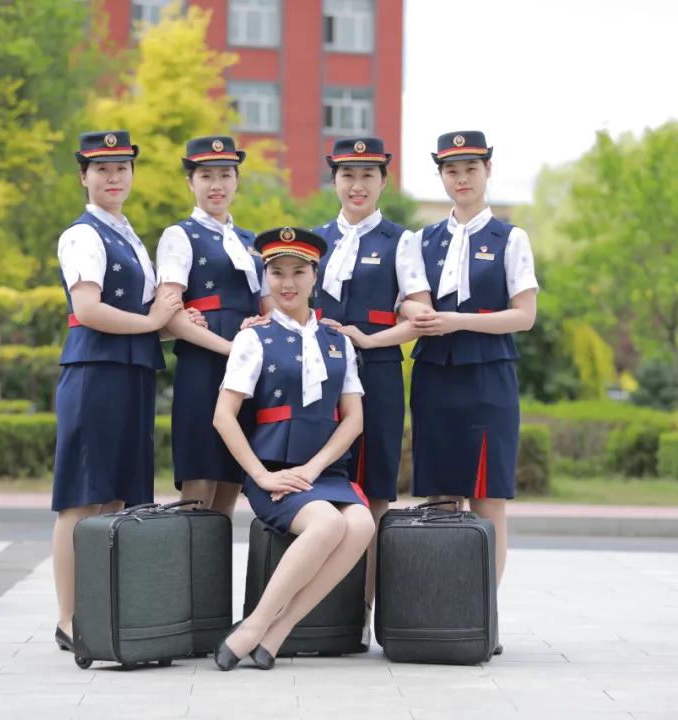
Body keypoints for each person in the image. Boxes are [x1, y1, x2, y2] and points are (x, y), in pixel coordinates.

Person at [50, 130, 194, 653]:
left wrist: (170, 324)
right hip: (95, 373)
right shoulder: (82, 234)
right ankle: (69, 620)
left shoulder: (128, 235)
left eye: (122, 168)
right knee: (81, 500)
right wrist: (154, 320)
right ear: (83, 176)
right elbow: (88, 310)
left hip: (132, 371)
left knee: (115, 498)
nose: (113, 177)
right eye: (102, 168)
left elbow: (141, 316)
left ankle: (103, 614)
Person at [211, 227, 376, 670]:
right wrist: (261, 476)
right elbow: (223, 416)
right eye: (277, 273)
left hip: (323, 473)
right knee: (327, 523)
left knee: (362, 524)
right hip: (273, 472)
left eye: (298, 272)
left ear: (314, 276)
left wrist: (316, 467)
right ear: (265, 277)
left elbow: (354, 420)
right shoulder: (253, 338)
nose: (287, 283)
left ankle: (278, 632)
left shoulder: (338, 342)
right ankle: (254, 627)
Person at [404, 131, 539, 656]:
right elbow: (414, 304)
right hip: (435, 375)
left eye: (470, 168)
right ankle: (444, 613)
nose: (461, 179)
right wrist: (417, 312)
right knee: (441, 498)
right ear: (440, 175)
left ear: (487, 171)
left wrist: (458, 320)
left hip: (488, 377)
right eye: (451, 170)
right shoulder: (421, 240)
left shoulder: (510, 237)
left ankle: (483, 615)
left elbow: (524, 316)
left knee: (488, 499)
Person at [311, 136, 432, 616]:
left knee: (376, 491)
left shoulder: (401, 241)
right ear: (334, 181)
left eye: (367, 175)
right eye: (347, 175)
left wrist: (369, 339)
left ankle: (363, 609)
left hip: (378, 372)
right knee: (322, 484)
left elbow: (419, 314)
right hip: (318, 376)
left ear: (383, 181)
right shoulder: (314, 240)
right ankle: (324, 612)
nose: (357, 185)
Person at [156, 136, 271, 517]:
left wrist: (264, 331)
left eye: (225, 175)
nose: (216, 185)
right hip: (203, 363)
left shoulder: (252, 242)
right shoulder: (180, 235)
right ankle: (188, 558)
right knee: (201, 476)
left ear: (237, 181)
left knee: (231, 477)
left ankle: (216, 559)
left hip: (247, 369)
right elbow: (169, 310)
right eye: (206, 176)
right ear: (190, 182)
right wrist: (231, 349)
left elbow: (270, 306)